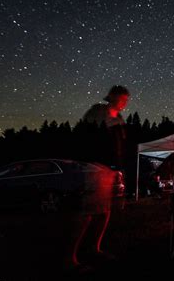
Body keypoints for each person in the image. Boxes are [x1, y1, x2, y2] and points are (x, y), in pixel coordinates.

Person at [64, 85, 129, 272]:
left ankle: (94, 248)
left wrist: (118, 167)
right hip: (94, 166)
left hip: (109, 167)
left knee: (104, 211)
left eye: (126, 99)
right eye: (122, 98)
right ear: (113, 97)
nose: (125, 102)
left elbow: (118, 144)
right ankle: (70, 258)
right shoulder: (99, 111)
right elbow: (89, 134)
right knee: (88, 211)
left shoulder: (119, 118)